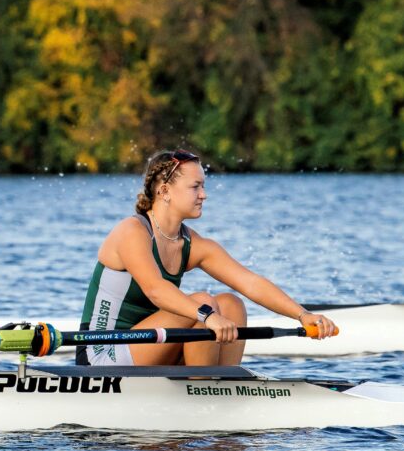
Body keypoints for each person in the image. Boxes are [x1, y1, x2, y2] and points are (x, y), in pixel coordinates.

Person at [79, 149, 338, 367]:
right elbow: (156, 290)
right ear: (165, 191)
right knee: (204, 303)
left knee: (231, 303)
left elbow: (250, 283)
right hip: (102, 352)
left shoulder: (193, 243)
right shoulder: (132, 231)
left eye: (203, 186)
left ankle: (218, 388)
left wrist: (302, 315)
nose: (204, 194)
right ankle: (203, 393)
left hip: (148, 346)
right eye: (195, 187)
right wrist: (207, 315)